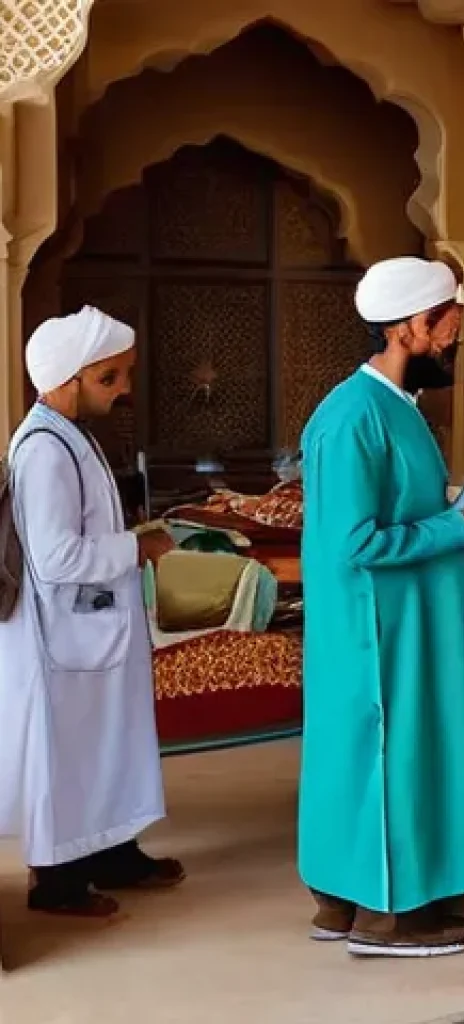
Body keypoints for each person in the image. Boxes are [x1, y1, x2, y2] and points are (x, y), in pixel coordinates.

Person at [298, 257, 464, 958]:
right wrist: (459, 527)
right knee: (385, 756)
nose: (454, 340)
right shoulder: (355, 416)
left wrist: (454, 509)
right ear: (414, 327)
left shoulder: (393, 409)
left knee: (370, 758)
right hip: (378, 630)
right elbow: (354, 541)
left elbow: (396, 509)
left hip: (405, 619)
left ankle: (346, 900)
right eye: (449, 326)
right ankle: (389, 917)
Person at [0, 306, 183, 917]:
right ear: (70, 377)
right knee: (72, 756)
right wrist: (139, 547)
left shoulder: (69, 435)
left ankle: (113, 852)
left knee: (111, 745)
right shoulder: (45, 449)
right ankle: (57, 883)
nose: (124, 389)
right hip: (64, 638)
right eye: (110, 377)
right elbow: (54, 557)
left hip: (94, 629)